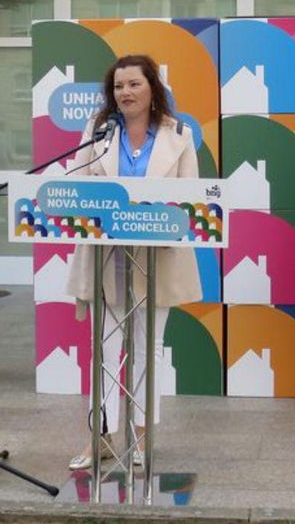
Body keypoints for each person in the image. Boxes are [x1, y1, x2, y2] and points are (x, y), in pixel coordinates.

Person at [63, 54, 200, 470]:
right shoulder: (98, 131)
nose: (125, 92)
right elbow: (76, 186)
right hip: (106, 257)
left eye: (134, 84)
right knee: (103, 351)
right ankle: (99, 438)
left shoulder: (179, 133)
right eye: (119, 86)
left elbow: (190, 198)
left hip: (157, 258)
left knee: (147, 350)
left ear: (152, 88)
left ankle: (140, 438)